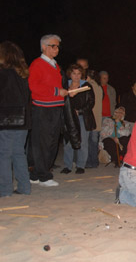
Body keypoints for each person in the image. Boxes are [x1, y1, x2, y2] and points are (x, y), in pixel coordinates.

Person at [28, 34, 68, 187]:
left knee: (51, 141)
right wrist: (57, 91)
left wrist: (66, 90)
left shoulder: (55, 65)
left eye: (58, 46)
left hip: (55, 107)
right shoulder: (37, 64)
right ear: (44, 47)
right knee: (42, 142)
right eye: (53, 46)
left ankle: (37, 174)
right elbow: (34, 86)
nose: (56, 49)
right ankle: (44, 175)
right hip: (43, 108)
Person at [0, 41, 31, 196]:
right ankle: (24, 187)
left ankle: (4, 189)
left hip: (6, 118)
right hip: (23, 119)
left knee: (4, 154)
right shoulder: (23, 74)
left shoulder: (3, 73)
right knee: (18, 153)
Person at [60, 64, 96, 174]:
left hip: (82, 118)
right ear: (70, 74)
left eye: (79, 73)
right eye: (74, 73)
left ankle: (81, 166)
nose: (76, 76)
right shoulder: (65, 86)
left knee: (83, 142)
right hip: (68, 118)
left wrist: (79, 111)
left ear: (82, 74)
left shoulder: (86, 86)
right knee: (68, 142)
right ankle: (68, 166)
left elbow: (91, 103)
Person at [85, 70, 103, 168]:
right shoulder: (99, 87)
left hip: (90, 117)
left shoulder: (88, 86)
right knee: (94, 142)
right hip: (98, 118)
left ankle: (89, 162)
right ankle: (94, 162)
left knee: (89, 142)